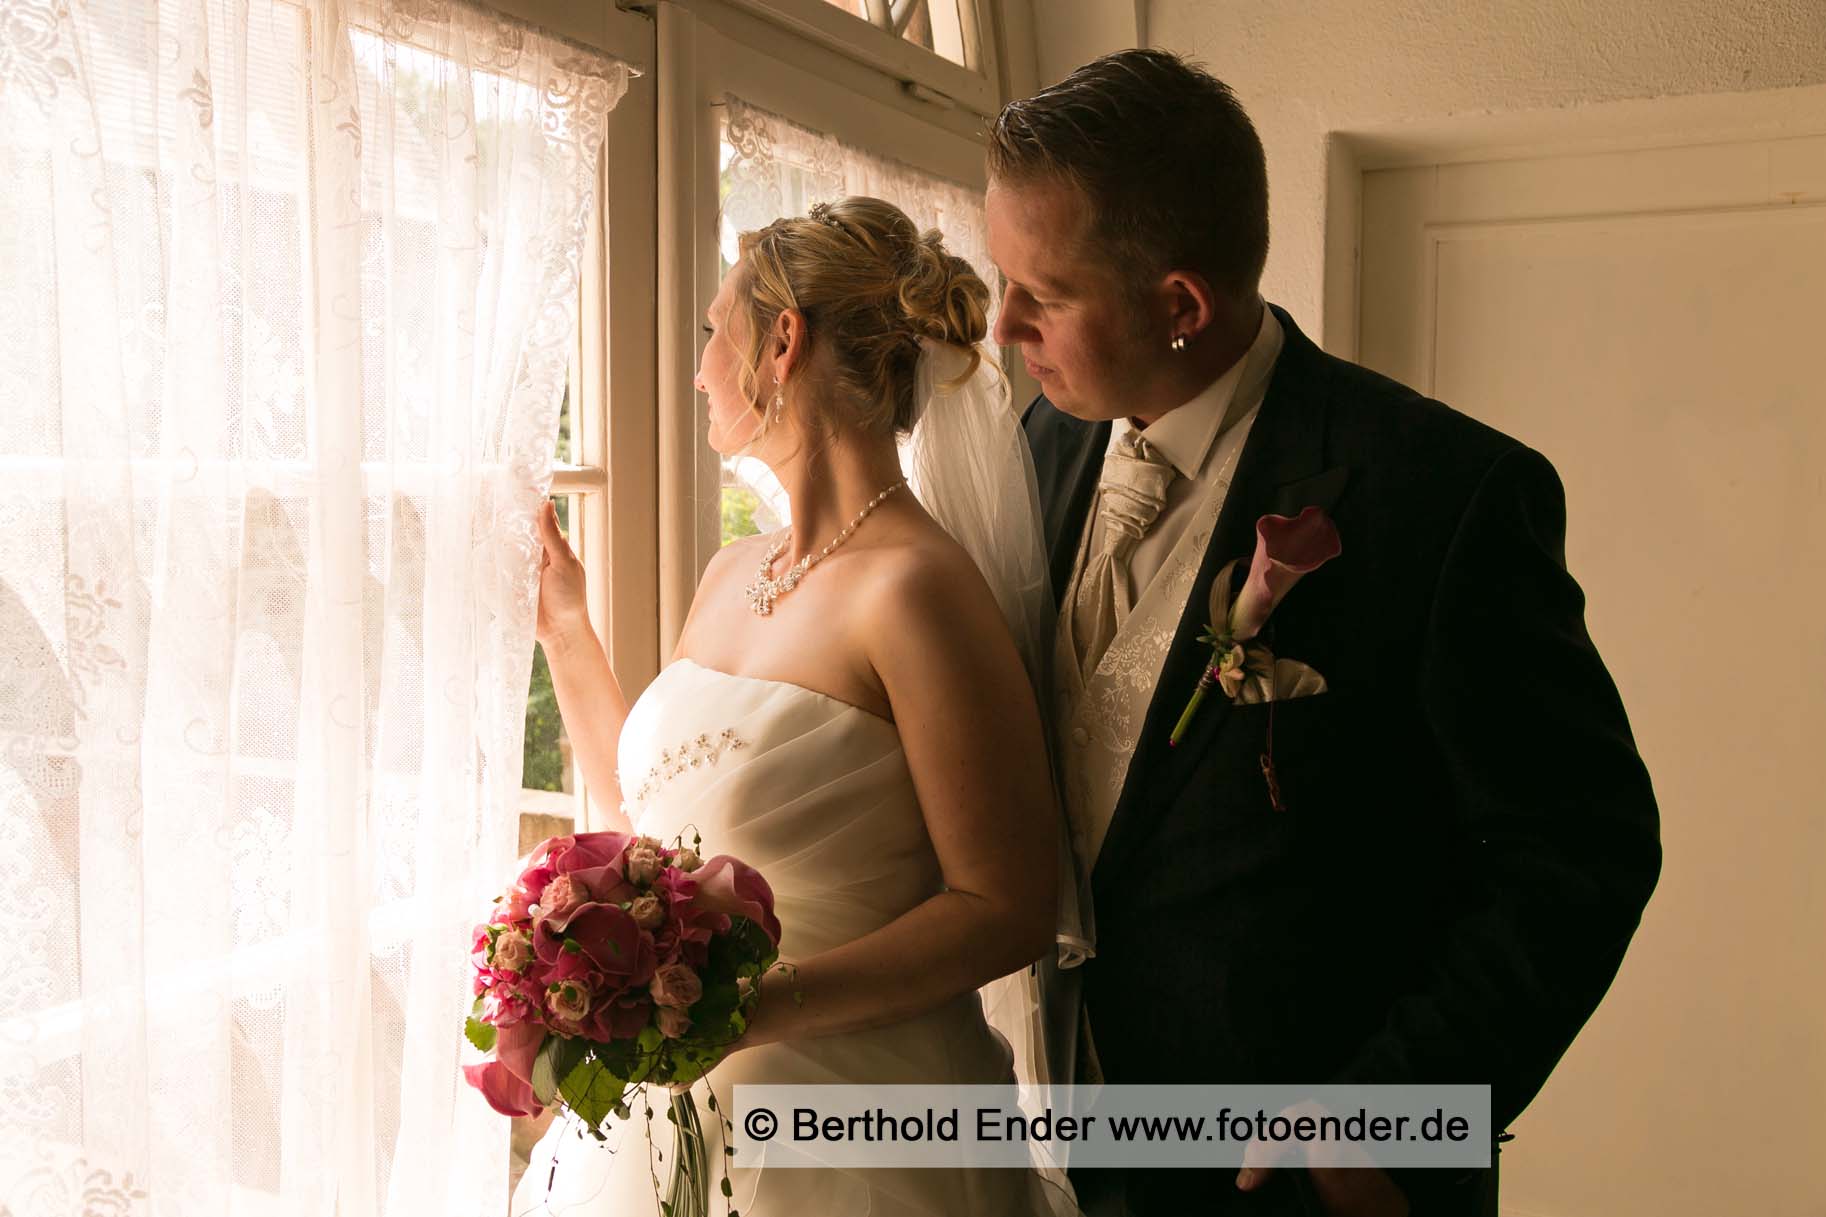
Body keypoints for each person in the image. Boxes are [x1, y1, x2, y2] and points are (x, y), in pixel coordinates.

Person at [989, 49, 1663, 1217]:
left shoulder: (1443, 494)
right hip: (1036, 1153)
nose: (1003, 325)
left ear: (1180, 304)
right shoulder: (1031, 451)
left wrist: (1400, 1111)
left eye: (1040, 294)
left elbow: (1581, 847)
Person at [513, 197, 1076, 1216]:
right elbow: (656, 831)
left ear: (780, 340)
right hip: (678, 1114)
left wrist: (741, 1011)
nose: (695, 369)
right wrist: (564, 628)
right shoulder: (733, 570)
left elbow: (1007, 904)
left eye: (710, 331)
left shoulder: (914, 587)